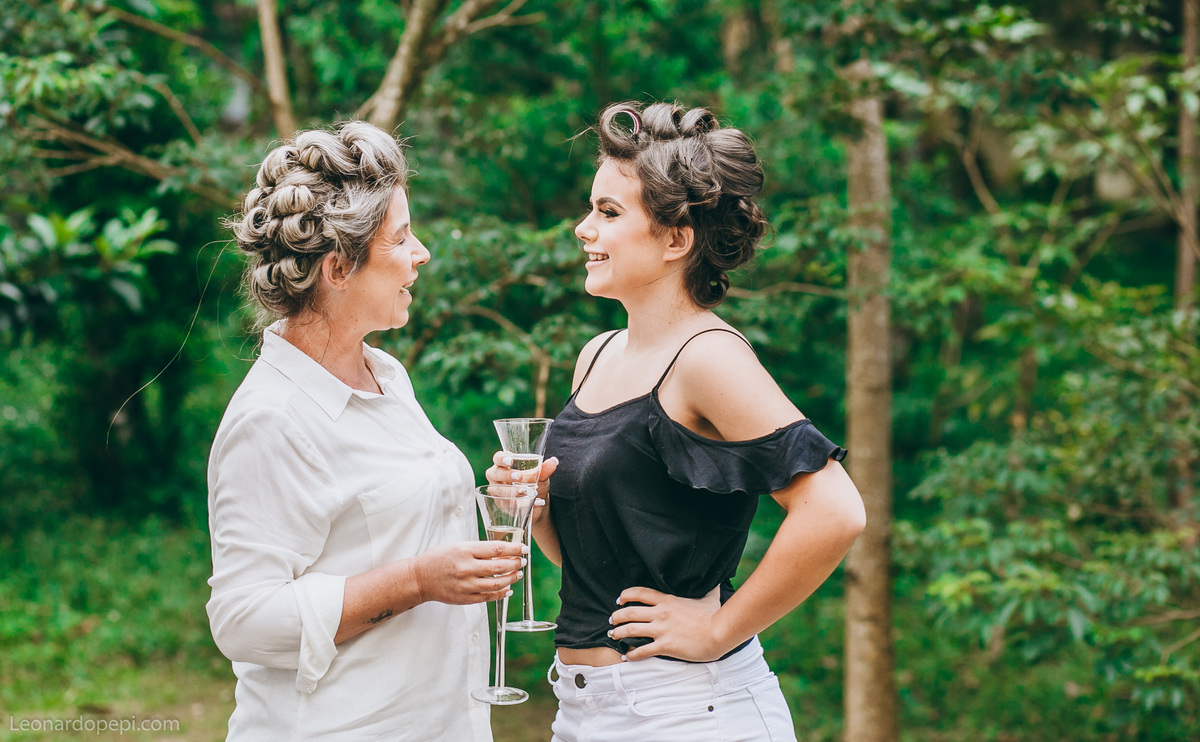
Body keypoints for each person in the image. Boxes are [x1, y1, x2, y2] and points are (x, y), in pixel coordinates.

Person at [488, 102, 867, 741]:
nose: (583, 228)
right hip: (582, 712)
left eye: (609, 213)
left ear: (675, 240)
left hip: (688, 710)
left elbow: (835, 512)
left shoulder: (708, 356)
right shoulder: (597, 355)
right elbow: (590, 558)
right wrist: (535, 504)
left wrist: (718, 629)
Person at [207, 121, 526, 741]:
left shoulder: (385, 374)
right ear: (337, 268)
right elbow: (243, 621)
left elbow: (392, 521)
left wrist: (501, 501)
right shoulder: (271, 418)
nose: (421, 253)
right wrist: (418, 581)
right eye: (401, 238)